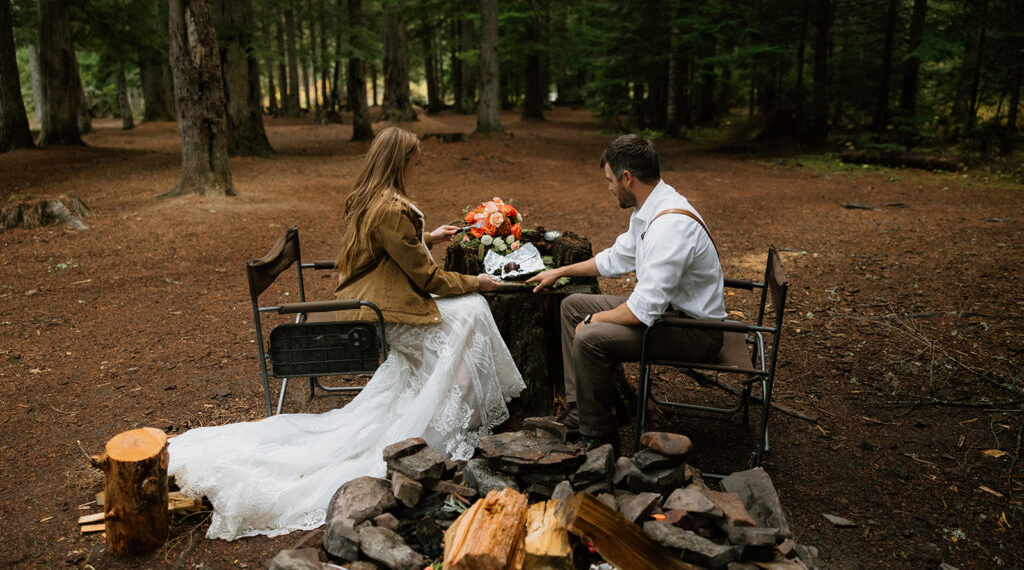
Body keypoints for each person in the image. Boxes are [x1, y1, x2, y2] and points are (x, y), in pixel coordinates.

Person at [168, 127, 525, 540]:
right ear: (399, 162)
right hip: (382, 312)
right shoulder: (391, 207)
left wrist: (429, 237)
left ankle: (451, 405)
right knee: (470, 315)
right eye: (414, 160)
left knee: (466, 317)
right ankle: (450, 417)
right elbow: (427, 276)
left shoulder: (368, 197)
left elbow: (384, 249)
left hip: (376, 297)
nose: (417, 167)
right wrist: (477, 282)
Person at [527, 134, 725, 453]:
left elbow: (642, 311)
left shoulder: (669, 227)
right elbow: (616, 259)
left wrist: (595, 320)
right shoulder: (651, 208)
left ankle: (599, 438)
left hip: (696, 332)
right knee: (572, 306)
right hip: (669, 316)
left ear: (627, 178)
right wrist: (559, 271)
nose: (608, 188)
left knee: (589, 336)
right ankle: (581, 412)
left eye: (609, 180)